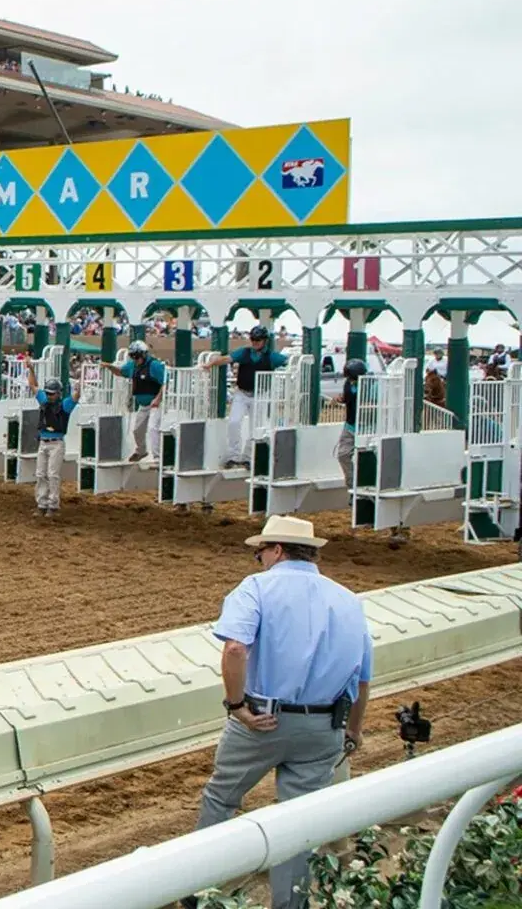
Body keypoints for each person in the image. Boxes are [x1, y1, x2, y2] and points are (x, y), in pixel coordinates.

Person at [188, 514, 371, 909]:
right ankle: (290, 903)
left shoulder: (256, 588)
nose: (260, 560)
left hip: (262, 722)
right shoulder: (348, 599)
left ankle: (198, 893)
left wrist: (237, 706)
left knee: (222, 798)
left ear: (277, 550)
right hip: (324, 725)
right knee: (297, 822)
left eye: (261, 553)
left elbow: (235, 648)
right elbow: (361, 679)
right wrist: (353, 731)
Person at [202, 323, 286, 467]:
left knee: (256, 427)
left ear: (264, 341)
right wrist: (211, 364)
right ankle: (233, 455)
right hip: (242, 393)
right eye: (253, 339)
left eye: (257, 340)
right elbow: (226, 359)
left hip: (260, 395)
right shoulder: (245, 353)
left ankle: (248, 457)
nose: (254, 342)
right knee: (234, 422)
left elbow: (287, 361)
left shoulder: (271, 357)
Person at [104, 340, 166, 463]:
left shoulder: (155, 365)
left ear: (143, 354)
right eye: (132, 356)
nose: (135, 359)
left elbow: (165, 382)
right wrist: (109, 367)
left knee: (153, 428)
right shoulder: (132, 365)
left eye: (137, 356)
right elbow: (121, 372)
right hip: (143, 405)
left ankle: (157, 457)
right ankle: (141, 451)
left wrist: (158, 398)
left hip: (156, 403)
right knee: (137, 430)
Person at [29, 368, 79, 517]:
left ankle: (53, 505)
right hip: (44, 441)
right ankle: (42, 503)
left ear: (58, 393)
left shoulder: (65, 405)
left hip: (56, 442)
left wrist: (80, 382)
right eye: (48, 393)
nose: (50, 396)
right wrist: (31, 369)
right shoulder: (44, 401)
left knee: (52, 474)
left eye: (52, 393)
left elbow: (76, 396)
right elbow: (33, 386)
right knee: (40, 474)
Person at [333, 358, 366, 485]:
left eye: (352, 378)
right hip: (350, 425)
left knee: (365, 458)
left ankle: (365, 483)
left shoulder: (370, 385)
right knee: (343, 455)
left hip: (366, 427)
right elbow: (347, 399)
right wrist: (340, 399)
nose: (350, 381)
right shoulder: (348, 383)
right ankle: (352, 485)